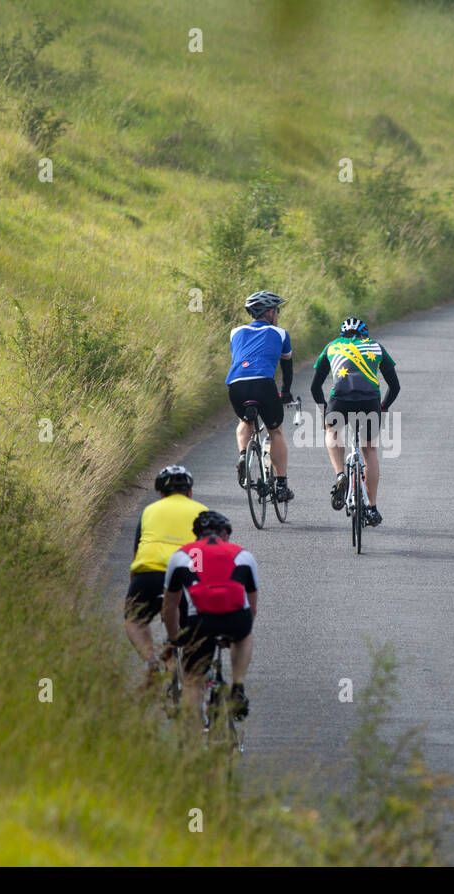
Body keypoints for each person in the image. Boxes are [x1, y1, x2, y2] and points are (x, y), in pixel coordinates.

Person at [162, 511, 258, 728]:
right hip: (236, 619)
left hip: (200, 622)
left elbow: (170, 606)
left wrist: (174, 637)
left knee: (194, 682)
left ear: (196, 534)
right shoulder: (242, 554)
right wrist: (236, 633)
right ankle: (238, 686)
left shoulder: (181, 556)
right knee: (244, 634)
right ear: (226, 534)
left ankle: (195, 743)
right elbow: (251, 608)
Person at [309, 316, 399, 526]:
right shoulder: (376, 346)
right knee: (369, 451)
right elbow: (395, 386)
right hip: (369, 401)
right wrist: (383, 407)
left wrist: (324, 410)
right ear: (364, 334)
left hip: (339, 400)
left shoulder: (332, 346)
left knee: (333, 433)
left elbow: (315, 387)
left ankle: (341, 474)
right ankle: (372, 507)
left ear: (343, 335)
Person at [125, 466, 207, 685]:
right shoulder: (202, 511)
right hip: (186, 576)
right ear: (190, 492)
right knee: (191, 627)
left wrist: (135, 591)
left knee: (135, 621)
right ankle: (192, 673)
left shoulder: (149, 511)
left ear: (160, 494)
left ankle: (151, 662)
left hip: (149, 572)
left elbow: (136, 555)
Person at [227, 290, 294, 502]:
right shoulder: (280, 333)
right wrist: (286, 393)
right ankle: (282, 485)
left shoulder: (235, 331)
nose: (279, 314)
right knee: (276, 432)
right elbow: (287, 368)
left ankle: (243, 455)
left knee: (245, 421)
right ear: (269, 313)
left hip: (236, 384)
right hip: (263, 384)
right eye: (277, 310)